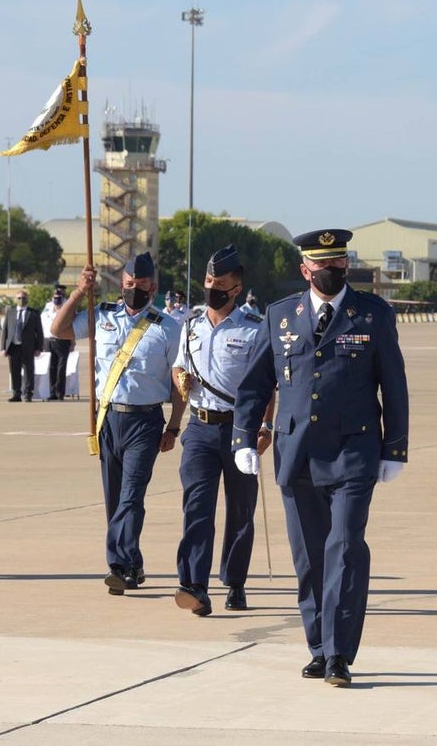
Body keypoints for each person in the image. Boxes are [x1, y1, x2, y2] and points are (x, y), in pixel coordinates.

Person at [232, 229, 409, 687]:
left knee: (345, 549)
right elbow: (254, 384)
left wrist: (396, 448)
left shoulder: (372, 314)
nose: (332, 272)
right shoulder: (280, 315)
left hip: (354, 451)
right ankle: (318, 645)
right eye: (322, 266)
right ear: (304, 270)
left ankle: (339, 654)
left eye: (340, 264)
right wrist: (243, 439)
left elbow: (393, 384)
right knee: (309, 558)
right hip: (296, 453)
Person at [52, 252, 185, 596]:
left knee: (130, 496)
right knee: (114, 498)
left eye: (140, 286)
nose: (133, 291)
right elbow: (59, 329)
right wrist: (80, 292)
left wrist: (173, 426)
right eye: (128, 285)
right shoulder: (103, 316)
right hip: (108, 418)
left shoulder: (168, 327)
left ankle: (120, 566)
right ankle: (132, 561)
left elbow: (178, 383)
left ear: (153, 287)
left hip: (146, 421)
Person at [171, 246, 274, 617]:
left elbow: (266, 384)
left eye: (221, 283)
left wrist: (265, 426)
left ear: (236, 288)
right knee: (196, 505)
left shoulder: (253, 329)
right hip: (199, 427)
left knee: (240, 508)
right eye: (209, 281)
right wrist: (179, 380)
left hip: (239, 429)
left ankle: (235, 580)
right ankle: (194, 584)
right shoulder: (191, 326)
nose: (212, 288)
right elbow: (179, 367)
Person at [1, 289, 43, 402]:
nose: (21, 300)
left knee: (28, 371)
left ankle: (28, 393)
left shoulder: (33, 313)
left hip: (28, 347)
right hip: (13, 346)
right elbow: (5, 330)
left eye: (23, 298)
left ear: (27, 299)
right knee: (14, 371)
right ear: (15, 299)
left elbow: (39, 331)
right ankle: (16, 393)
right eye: (19, 298)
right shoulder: (10, 312)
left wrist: (39, 347)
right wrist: (3, 347)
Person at [40, 286, 72, 401]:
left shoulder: (67, 307)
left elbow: (71, 324)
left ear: (62, 297)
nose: (56, 299)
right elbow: (43, 323)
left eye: (59, 297)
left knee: (61, 368)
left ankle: (60, 393)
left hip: (62, 341)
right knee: (52, 368)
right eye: (55, 297)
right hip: (48, 341)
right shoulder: (48, 307)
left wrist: (72, 342)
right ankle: (52, 392)